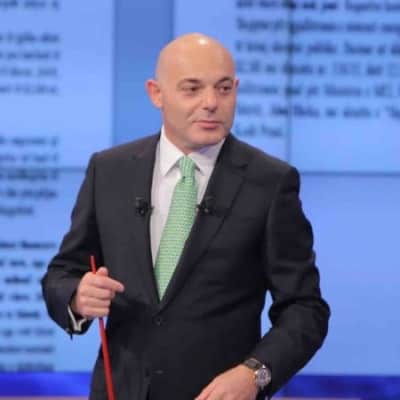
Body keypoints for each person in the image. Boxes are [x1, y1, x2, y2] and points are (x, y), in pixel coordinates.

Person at [42, 33, 330, 400]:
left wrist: (254, 374)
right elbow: (62, 274)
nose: (211, 103)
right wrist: (77, 298)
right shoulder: (110, 171)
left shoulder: (270, 183)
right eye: (192, 89)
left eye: (223, 89)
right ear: (156, 93)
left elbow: (305, 308)